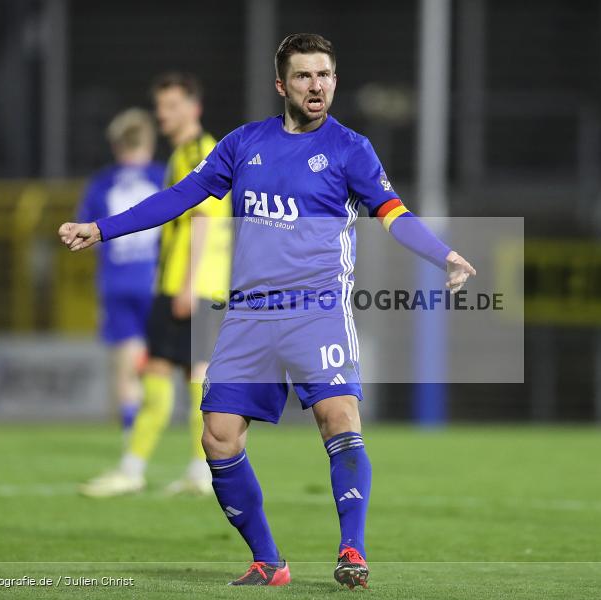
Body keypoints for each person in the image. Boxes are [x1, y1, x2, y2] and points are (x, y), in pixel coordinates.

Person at [60, 34, 475, 588]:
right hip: (250, 315)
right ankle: (267, 560)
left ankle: (352, 551)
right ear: (282, 85)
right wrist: (102, 229)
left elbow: (395, 214)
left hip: (317, 310)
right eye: (304, 76)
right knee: (218, 437)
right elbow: (180, 197)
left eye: (325, 74)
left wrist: (444, 255)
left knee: (339, 418)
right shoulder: (242, 144)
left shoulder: (352, 148)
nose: (317, 85)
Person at [79, 73, 233, 498]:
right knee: (168, 376)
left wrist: (188, 284)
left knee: (189, 379)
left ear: (192, 108)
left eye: (170, 106)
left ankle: (176, 470)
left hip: (193, 286)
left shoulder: (200, 152)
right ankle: (169, 469)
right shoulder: (184, 153)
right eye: (160, 106)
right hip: (185, 284)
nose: (161, 115)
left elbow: (203, 219)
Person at [76, 108, 163, 441]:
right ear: (150, 142)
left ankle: (132, 438)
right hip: (157, 281)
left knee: (125, 364)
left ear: (116, 145)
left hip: (117, 283)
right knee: (162, 365)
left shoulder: (101, 183)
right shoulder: (163, 176)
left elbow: (87, 234)